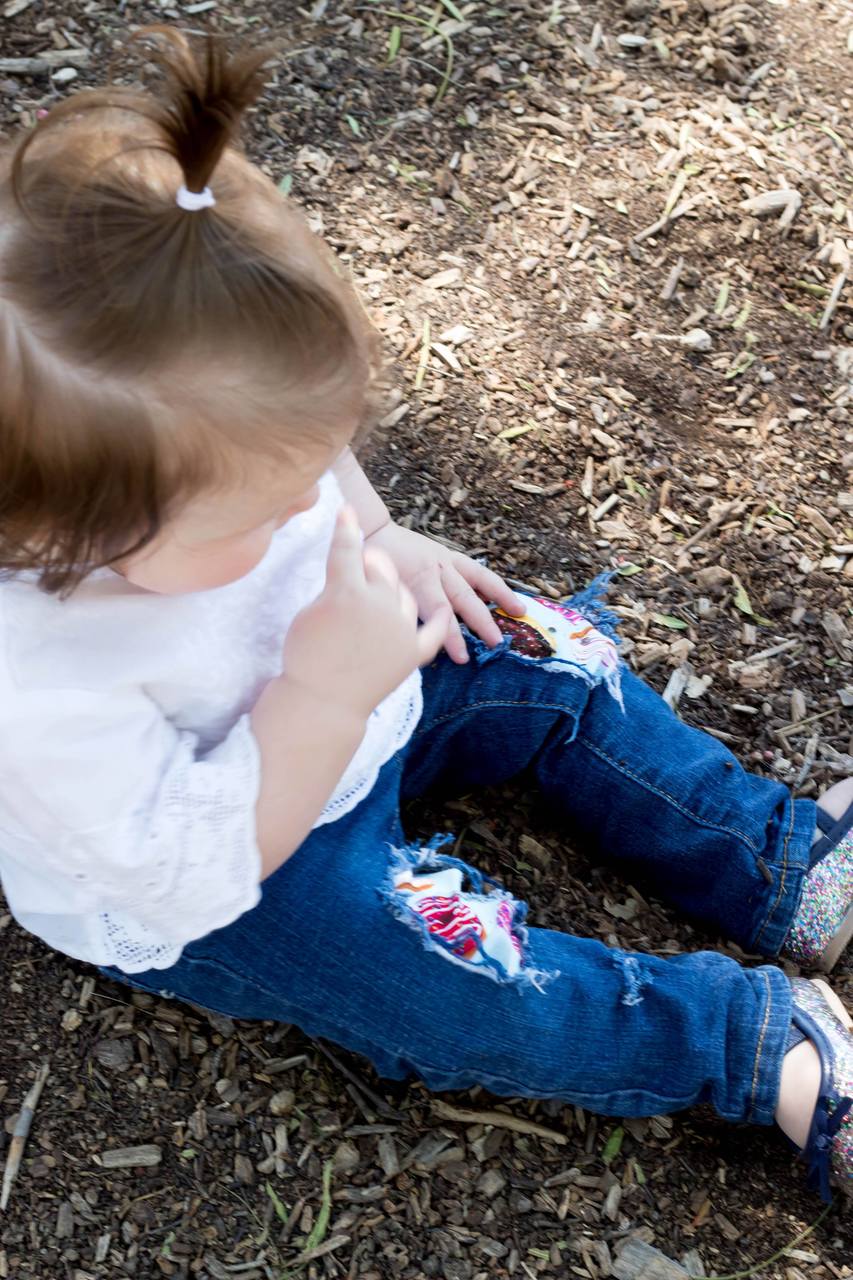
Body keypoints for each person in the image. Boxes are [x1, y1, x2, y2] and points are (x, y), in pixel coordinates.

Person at [0, 30, 850, 1201]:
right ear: (72, 539)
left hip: (352, 684)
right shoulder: (36, 688)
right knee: (453, 986)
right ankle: (754, 1047)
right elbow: (185, 867)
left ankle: (777, 858)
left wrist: (383, 534)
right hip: (237, 873)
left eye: (317, 464)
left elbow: (307, 455)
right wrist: (320, 697)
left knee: (545, 657)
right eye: (269, 502)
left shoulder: (188, 455)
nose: (313, 505)